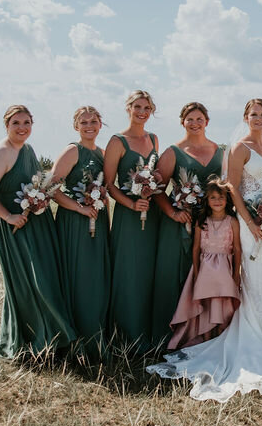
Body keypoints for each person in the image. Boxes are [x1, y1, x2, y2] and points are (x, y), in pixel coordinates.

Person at [147, 99, 262, 402]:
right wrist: (252, 223)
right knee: (254, 279)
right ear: (245, 117)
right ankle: (253, 338)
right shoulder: (240, 148)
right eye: (253, 114)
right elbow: (232, 188)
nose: (258, 118)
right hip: (250, 223)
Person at [0, 104, 76, 359]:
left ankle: (52, 336)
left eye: (26, 123)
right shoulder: (1, 152)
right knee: (26, 281)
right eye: (16, 123)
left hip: (35, 221)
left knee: (44, 277)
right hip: (14, 224)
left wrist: (41, 199)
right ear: (6, 126)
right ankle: (31, 338)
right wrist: (9, 216)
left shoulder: (28, 149)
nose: (22, 128)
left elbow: (35, 183)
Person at [151, 102, 223, 348]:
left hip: (211, 227)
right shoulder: (173, 152)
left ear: (207, 121)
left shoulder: (219, 151)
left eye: (199, 118)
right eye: (189, 119)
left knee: (209, 277)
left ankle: (207, 333)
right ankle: (174, 335)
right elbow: (157, 189)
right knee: (177, 275)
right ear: (182, 122)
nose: (195, 123)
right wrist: (172, 212)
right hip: (179, 225)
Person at [49, 106, 112, 360]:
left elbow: (106, 185)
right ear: (76, 126)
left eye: (94, 121)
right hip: (75, 223)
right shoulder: (72, 150)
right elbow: (51, 188)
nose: (89, 126)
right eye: (84, 122)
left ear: (100, 124)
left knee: (97, 276)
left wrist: (102, 198)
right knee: (79, 276)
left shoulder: (103, 153)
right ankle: (74, 338)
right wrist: (80, 208)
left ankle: (97, 334)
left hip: (98, 219)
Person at [104, 90, 161, 353]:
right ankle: (126, 336)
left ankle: (150, 332)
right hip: (128, 216)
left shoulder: (154, 139)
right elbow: (108, 185)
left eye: (147, 107)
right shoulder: (117, 141)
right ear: (128, 108)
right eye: (137, 106)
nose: (142, 111)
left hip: (151, 215)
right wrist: (131, 203)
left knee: (149, 273)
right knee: (129, 272)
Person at [166, 177, 242, 350]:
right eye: (213, 197)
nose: (217, 201)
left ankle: (221, 340)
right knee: (206, 304)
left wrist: (236, 274)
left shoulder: (233, 222)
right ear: (207, 200)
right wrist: (196, 272)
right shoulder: (202, 222)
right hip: (205, 270)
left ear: (227, 199)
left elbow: (237, 249)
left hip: (224, 270)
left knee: (223, 304)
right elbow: (195, 249)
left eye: (221, 197)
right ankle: (206, 342)